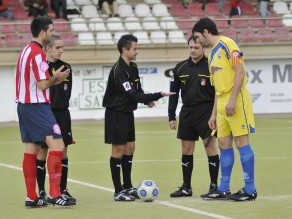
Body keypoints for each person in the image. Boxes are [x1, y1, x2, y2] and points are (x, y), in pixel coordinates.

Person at [102, 34, 175, 201]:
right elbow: (132, 94)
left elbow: (138, 91)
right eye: (134, 48)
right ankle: (118, 191)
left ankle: (127, 186)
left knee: (130, 148)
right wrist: (158, 94)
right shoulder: (118, 71)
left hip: (127, 113)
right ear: (124, 50)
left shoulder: (133, 68)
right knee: (118, 151)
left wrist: (147, 100)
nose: (137, 51)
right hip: (116, 114)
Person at [192, 17, 257, 201]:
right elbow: (216, 87)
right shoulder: (212, 54)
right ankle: (223, 188)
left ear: (206, 32)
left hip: (235, 100)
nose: (198, 41)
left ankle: (250, 189)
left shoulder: (229, 44)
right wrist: (214, 113)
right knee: (223, 144)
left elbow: (240, 72)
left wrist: (233, 99)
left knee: (241, 142)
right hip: (221, 102)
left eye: (198, 36)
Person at [15, 16, 75, 207]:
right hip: (38, 106)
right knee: (58, 146)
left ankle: (31, 197)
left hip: (24, 105)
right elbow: (42, 85)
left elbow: (35, 82)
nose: (52, 32)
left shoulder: (25, 50)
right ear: (42, 33)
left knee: (31, 150)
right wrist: (55, 77)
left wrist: (55, 79)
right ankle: (55, 194)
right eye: (51, 30)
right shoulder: (39, 53)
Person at [168, 35, 219, 198]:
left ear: (204, 48)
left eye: (196, 48)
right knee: (186, 149)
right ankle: (186, 187)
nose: (192, 50)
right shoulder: (180, 68)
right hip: (187, 113)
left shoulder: (211, 66)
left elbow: (218, 91)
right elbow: (174, 93)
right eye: (190, 47)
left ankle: (213, 187)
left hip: (206, 112)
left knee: (210, 148)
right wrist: (171, 115)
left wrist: (215, 115)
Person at [36, 35, 76, 203]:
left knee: (63, 152)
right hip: (46, 113)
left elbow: (67, 92)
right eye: (58, 47)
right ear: (48, 49)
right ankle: (42, 192)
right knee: (42, 152)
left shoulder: (66, 67)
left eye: (62, 47)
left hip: (63, 114)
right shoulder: (41, 67)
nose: (61, 50)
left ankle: (62, 190)